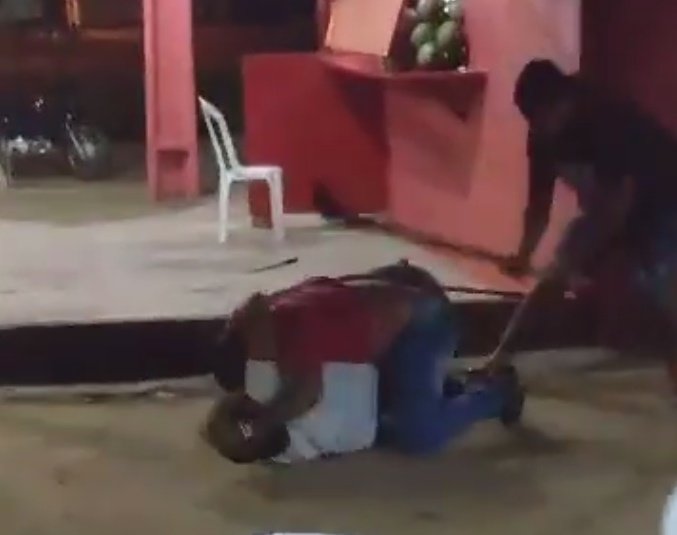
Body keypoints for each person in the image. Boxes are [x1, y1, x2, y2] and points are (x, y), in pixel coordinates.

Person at [203, 261, 524, 464]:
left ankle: (498, 392)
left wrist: (255, 425)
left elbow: (306, 394)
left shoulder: (294, 333)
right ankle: (450, 387)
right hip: (392, 295)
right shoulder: (262, 326)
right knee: (375, 405)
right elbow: (254, 307)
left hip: (423, 322)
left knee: (418, 433)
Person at [488, 59, 677, 390]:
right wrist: (523, 256)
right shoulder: (541, 136)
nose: (539, 127)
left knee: (663, 282)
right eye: (533, 120)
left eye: (544, 116)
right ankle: (500, 358)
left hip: (663, 198)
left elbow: (619, 206)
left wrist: (588, 256)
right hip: (610, 208)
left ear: (565, 101)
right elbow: (539, 207)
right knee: (553, 278)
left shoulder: (606, 117)